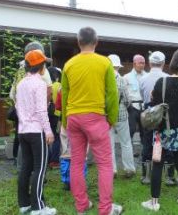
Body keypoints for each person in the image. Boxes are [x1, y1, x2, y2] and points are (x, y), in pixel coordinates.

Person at [61, 27, 122, 215]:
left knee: (77, 162)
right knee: (105, 164)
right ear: (97, 42)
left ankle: (82, 206)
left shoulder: (69, 65)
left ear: (78, 42)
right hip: (95, 117)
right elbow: (112, 94)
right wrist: (111, 118)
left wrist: (65, 120)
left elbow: (65, 96)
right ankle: (105, 209)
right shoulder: (104, 63)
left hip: (73, 118)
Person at [141, 49, 178, 211]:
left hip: (163, 129)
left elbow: (155, 101)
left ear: (172, 62)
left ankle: (154, 202)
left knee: (157, 163)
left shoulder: (162, 82)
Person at [16, 49, 56, 215]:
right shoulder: (39, 83)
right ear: (41, 66)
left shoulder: (21, 83)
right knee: (40, 168)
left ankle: (24, 204)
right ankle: (38, 207)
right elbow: (41, 111)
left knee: (26, 167)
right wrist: (48, 131)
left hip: (23, 130)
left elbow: (18, 107)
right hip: (36, 131)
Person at [10, 41, 53, 170]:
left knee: (22, 143)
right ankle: (38, 172)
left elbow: (12, 93)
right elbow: (49, 90)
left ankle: (21, 167)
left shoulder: (20, 69)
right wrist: (45, 105)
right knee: (39, 149)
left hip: (21, 115)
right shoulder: (41, 70)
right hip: (37, 118)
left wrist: (21, 109)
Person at [139, 51, 177, 186]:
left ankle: (146, 176)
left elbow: (143, 97)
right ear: (163, 63)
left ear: (150, 63)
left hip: (149, 113)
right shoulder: (169, 78)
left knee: (147, 142)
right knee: (167, 143)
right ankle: (169, 177)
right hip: (165, 114)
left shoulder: (143, 79)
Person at [108, 54, 136, 178]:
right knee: (125, 142)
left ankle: (112, 170)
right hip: (121, 115)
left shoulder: (103, 79)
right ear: (118, 67)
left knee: (109, 144)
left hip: (107, 116)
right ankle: (129, 169)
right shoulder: (121, 79)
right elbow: (127, 99)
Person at [124, 54, 147, 140]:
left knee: (145, 131)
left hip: (144, 107)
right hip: (132, 107)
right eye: (140, 63)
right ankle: (129, 152)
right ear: (134, 64)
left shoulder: (147, 76)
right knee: (131, 130)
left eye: (143, 63)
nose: (142, 65)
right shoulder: (126, 77)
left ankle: (145, 153)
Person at [47, 66, 62, 168]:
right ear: (56, 76)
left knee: (47, 136)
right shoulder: (59, 85)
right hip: (57, 114)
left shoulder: (46, 85)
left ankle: (46, 158)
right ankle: (55, 161)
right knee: (57, 137)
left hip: (47, 113)